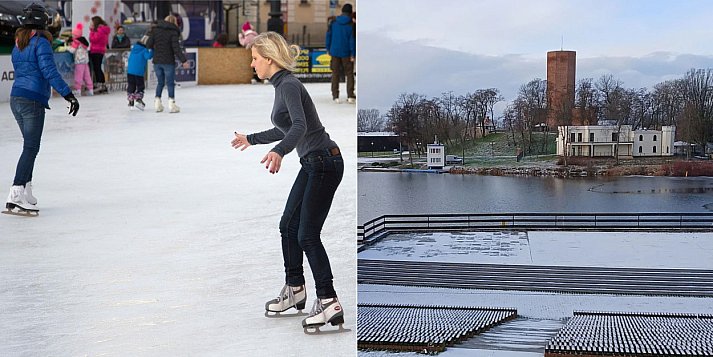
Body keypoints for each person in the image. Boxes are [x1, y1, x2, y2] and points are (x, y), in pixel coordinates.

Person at [230, 32, 345, 331]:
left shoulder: (289, 85)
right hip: (314, 162)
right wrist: (251, 139)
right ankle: (295, 288)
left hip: (325, 162)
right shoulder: (281, 86)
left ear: (268, 59)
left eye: (255, 59)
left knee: (307, 234)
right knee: (288, 226)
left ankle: (329, 301)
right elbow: (284, 127)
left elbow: (299, 126)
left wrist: (280, 151)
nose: (253, 64)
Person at [5, 3, 79, 215]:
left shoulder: (19, 43)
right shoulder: (41, 43)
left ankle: (26, 189)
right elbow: (49, 71)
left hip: (16, 98)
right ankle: (16, 194)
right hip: (32, 99)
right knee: (31, 147)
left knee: (30, 146)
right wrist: (68, 94)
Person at [147, 15, 188, 113]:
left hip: (157, 61)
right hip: (168, 61)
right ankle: (171, 104)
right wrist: (184, 61)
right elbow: (176, 49)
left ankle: (157, 103)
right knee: (170, 83)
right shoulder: (173, 32)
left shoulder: (155, 30)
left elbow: (148, 44)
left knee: (160, 82)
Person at [325, 3, 355, 104]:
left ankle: (335, 96)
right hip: (346, 52)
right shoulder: (351, 24)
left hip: (334, 51)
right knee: (349, 74)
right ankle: (350, 95)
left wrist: (328, 48)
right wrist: (353, 54)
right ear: (350, 12)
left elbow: (328, 36)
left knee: (335, 73)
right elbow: (352, 40)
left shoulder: (333, 22)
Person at [126, 35, 153, 110]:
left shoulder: (134, 48)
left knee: (131, 85)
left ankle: (131, 99)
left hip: (130, 71)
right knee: (140, 86)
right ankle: (138, 99)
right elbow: (148, 57)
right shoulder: (144, 50)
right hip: (139, 72)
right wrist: (152, 50)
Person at [68, 23, 93, 96]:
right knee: (87, 75)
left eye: (73, 34)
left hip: (79, 61)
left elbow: (72, 50)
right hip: (85, 61)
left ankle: (78, 89)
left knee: (78, 75)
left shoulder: (76, 42)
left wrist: (67, 47)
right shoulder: (83, 41)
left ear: (75, 35)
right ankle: (90, 89)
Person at [89, 16, 111, 93]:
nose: (91, 24)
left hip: (96, 50)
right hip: (99, 50)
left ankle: (100, 84)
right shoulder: (103, 30)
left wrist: (91, 31)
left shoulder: (99, 30)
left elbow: (93, 39)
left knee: (97, 68)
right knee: (97, 68)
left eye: (92, 22)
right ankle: (101, 84)